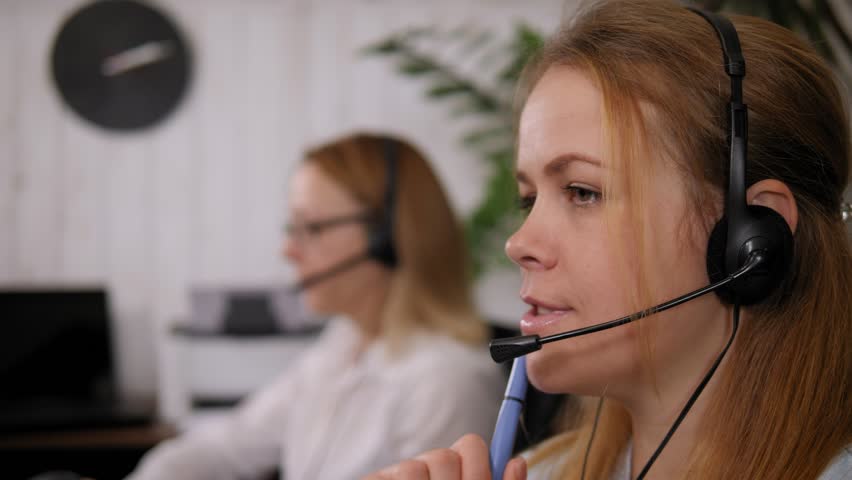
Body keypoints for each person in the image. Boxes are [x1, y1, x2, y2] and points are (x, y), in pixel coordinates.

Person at [363, 1, 852, 479]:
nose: (518, 243)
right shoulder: (539, 471)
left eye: (583, 192)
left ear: (752, 240)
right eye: (529, 200)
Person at [127, 133, 504, 480]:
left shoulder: (445, 382)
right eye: (291, 229)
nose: (288, 250)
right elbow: (223, 448)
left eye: (311, 228)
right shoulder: (342, 345)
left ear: (386, 238)